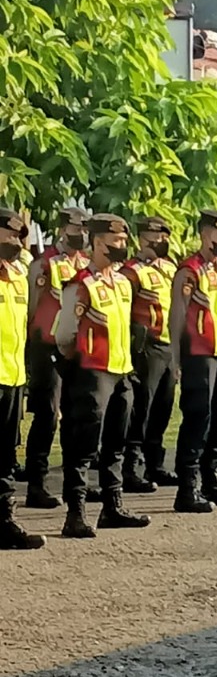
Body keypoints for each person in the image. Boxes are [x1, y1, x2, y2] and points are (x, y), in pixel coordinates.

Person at [56, 213, 151, 538]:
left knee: (115, 442)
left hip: (121, 371)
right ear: (97, 243)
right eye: (115, 242)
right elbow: (64, 335)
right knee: (83, 444)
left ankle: (113, 506)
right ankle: (76, 513)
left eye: (124, 242)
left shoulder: (123, 283)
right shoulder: (81, 284)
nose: (122, 247)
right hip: (92, 373)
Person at [169, 211, 217, 513]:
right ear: (205, 235)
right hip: (198, 355)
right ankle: (187, 489)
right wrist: (176, 358)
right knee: (197, 419)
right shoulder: (189, 271)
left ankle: (212, 482)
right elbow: (176, 317)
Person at [25, 207, 90, 509]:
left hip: (75, 350)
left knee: (75, 416)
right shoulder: (44, 264)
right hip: (47, 347)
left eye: (85, 230)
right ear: (64, 229)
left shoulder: (87, 263)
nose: (82, 235)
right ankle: (35, 484)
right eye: (76, 229)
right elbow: (33, 308)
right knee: (47, 414)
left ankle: (72, 483)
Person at [120, 215, 178, 493]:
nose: (160, 243)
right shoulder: (131, 271)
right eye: (155, 238)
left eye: (164, 238)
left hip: (169, 345)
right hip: (147, 346)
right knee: (141, 407)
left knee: (163, 407)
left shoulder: (169, 268)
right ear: (141, 239)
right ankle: (130, 467)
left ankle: (155, 464)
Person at [0, 209, 45, 549]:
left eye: (19, 237)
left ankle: (3, 522)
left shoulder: (17, 274)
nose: (16, 243)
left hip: (12, 376)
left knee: (4, 456)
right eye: (10, 236)